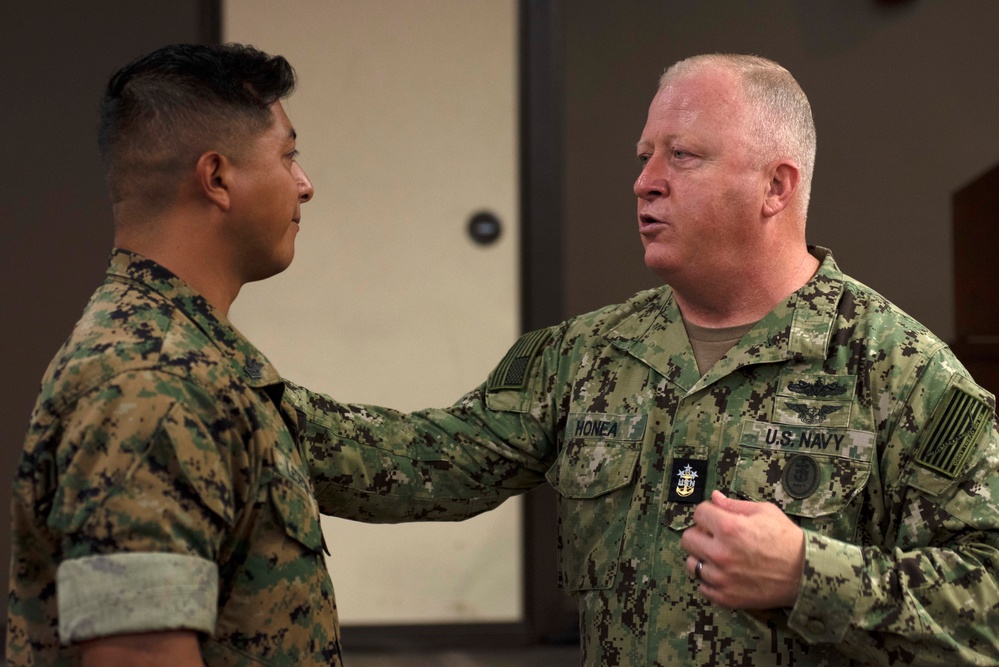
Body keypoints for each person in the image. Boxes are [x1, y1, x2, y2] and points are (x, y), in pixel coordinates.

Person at [290, 54, 999, 665]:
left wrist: (807, 574)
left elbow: (987, 602)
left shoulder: (898, 370)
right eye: (643, 158)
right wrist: (240, 400)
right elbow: (417, 464)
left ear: (775, 187)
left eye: (681, 156)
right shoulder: (583, 355)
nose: (644, 181)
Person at [7, 42, 376, 667]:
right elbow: (139, 653)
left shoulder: (193, 352)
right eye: (288, 156)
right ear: (217, 178)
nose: (305, 186)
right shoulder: (147, 383)